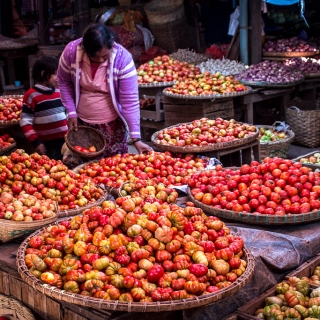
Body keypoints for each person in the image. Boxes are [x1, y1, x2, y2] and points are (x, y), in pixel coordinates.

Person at [57, 23, 153, 156]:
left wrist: (136, 138)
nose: (101, 60)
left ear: (112, 44)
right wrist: (71, 112)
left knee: (113, 166)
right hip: (82, 123)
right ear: (85, 50)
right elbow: (64, 81)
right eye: (95, 57)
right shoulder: (72, 51)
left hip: (113, 126)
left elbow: (129, 101)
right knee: (84, 168)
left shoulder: (123, 59)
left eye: (105, 55)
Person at [20, 55, 68, 160]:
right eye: (55, 74)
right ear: (43, 73)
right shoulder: (31, 95)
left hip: (64, 142)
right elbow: (25, 122)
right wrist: (36, 143)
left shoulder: (59, 92)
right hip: (46, 145)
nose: (58, 77)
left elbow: (66, 114)